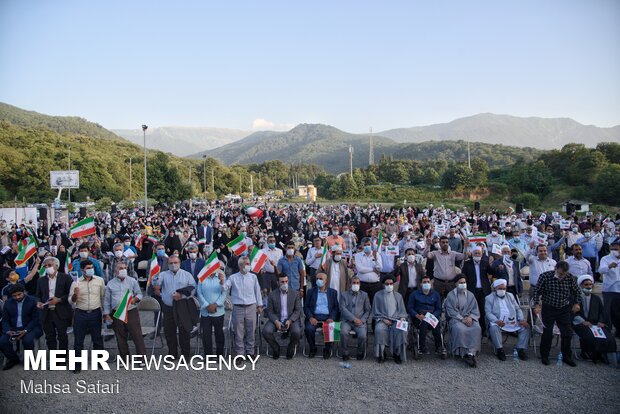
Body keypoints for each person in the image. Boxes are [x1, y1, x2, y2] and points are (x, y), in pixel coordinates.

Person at [533, 261, 581, 366]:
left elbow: (577, 291)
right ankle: (545, 355)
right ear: (555, 268)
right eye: (560, 274)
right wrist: (537, 304)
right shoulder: (545, 276)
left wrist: (577, 303)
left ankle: (566, 356)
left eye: (564, 274)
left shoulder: (570, 277)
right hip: (549, 307)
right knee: (547, 332)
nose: (562, 276)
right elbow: (536, 291)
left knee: (567, 333)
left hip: (564, 308)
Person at [152, 254, 197, 359]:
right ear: (167, 264)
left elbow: (193, 289)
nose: (173, 265)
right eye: (171, 263)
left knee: (184, 332)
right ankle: (172, 354)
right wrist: (155, 279)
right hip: (168, 307)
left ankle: (185, 355)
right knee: (169, 332)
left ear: (179, 263)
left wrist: (181, 295)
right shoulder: (163, 274)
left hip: (182, 306)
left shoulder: (186, 275)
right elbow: (156, 282)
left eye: (175, 262)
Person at [103, 261, 146, 360]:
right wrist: (107, 314)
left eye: (124, 268)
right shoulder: (110, 284)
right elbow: (106, 301)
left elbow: (139, 294)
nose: (123, 270)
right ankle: (124, 358)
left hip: (131, 311)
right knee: (120, 336)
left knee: (136, 334)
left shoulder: (132, 281)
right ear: (115, 270)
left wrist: (134, 300)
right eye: (120, 268)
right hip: (116, 312)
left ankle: (142, 357)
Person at [69, 260, 106, 372]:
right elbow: (71, 301)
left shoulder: (99, 281)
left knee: (97, 339)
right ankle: (77, 364)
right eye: (88, 268)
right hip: (80, 313)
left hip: (95, 313)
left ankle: (99, 361)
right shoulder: (76, 282)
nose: (90, 269)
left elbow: (103, 297)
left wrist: (105, 313)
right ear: (82, 270)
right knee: (79, 340)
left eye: (91, 267)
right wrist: (75, 294)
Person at [572, 275, 616, 363]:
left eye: (590, 284)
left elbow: (602, 312)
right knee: (591, 336)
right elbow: (571, 313)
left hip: (596, 324)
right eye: (586, 285)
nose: (588, 286)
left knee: (609, 337)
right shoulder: (575, 298)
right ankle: (589, 354)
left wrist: (601, 321)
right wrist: (583, 321)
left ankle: (603, 355)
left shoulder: (596, 298)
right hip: (581, 324)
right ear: (581, 286)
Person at [225, 256, 262, 356]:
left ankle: (250, 352)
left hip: (251, 306)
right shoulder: (233, 277)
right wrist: (221, 282)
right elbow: (225, 286)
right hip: (238, 307)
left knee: (251, 331)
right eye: (247, 264)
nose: (248, 266)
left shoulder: (253, 277)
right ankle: (240, 353)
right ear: (240, 265)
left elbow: (257, 291)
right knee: (238, 332)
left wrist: (259, 305)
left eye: (249, 264)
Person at [485, 279, 529, 361]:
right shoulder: (489, 298)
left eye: (504, 289)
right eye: (500, 289)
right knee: (494, 328)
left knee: (525, 327)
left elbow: (518, 309)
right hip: (498, 321)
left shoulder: (510, 296)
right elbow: (488, 313)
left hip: (512, 320)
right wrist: (496, 321)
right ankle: (499, 349)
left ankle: (520, 349)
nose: (502, 290)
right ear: (495, 289)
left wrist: (521, 319)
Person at [0, 284, 43, 370]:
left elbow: (35, 319)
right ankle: (13, 359)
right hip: (13, 328)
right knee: (2, 341)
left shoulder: (33, 301)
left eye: (19, 294)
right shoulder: (8, 303)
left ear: (24, 292)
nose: (17, 297)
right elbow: (5, 320)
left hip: (30, 327)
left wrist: (26, 330)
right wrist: (8, 331)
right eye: (14, 296)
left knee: (27, 340)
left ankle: (28, 359)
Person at [36, 256, 73, 353]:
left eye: (50, 265)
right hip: (47, 312)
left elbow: (70, 294)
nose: (47, 267)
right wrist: (38, 302)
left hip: (60, 311)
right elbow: (37, 295)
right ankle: (53, 357)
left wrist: (59, 300)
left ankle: (62, 357)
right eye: (45, 266)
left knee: (62, 336)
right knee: (50, 337)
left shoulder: (66, 278)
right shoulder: (41, 280)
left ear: (56, 266)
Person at [444, 274, 482, 367]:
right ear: (456, 284)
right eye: (460, 283)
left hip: (469, 319)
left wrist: (471, 318)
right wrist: (462, 319)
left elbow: (475, 309)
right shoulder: (450, 295)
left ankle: (471, 353)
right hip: (456, 319)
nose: (463, 284)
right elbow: (451, 311)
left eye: (464, 282)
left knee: (476, 328)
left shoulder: (470, 295)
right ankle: (461, 352)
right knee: (460, 329)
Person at [263, 274, 302, 360]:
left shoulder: (295, 294)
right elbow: (269, 311)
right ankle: (276, 348)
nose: (285, 284)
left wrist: (290, 320)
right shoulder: (272, 295)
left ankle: (290, 348)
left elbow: (298, 310)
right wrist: (276, 321)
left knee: (297, 332)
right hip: (277, 319)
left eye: (286, 281)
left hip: (291, 319)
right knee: (266, 331)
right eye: (282, 282)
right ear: (278, 283)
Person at [372, 275, 408, 363]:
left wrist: (402, 318)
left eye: (391, 283)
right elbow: (375, 311)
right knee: (379, 330)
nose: (389, 285)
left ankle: (397, 354)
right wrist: (383, 319)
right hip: (382, 320)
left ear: (393, 284)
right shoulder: (378, 295)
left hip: (396, 320)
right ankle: (382, 353)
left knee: (401, 331)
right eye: (387, 284)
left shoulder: (398, 296)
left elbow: (402, 311)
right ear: (383, 284)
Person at [303, 272, 338, 359]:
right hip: (314, 316)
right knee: (308, 329)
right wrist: (310, 317)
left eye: (321, 279)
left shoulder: (333, 292)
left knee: (332, 328)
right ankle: (312, 348)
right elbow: (306, 307)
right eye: (317, 279)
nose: (318, 280)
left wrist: (331, 318)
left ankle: (327, 349)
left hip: (327, 317)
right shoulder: (311, 291)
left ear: (326, 281)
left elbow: (336, 307)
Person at [407, 275, 445, 356]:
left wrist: (433, 316)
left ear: (430, 284)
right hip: (419, 317)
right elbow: (410, 308)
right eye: (424, 282)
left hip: (432, 316)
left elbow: (439, 308)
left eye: (428, 282)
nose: (426, 283)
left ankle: (439, 346)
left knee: (437, 324)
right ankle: (422, 346)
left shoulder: (435, 294)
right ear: (420, 284)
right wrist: (417, 315)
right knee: (423, 322)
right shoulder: (414, 294)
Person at [339, 276, 371, 361]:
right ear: (350, 284)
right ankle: (345, 352)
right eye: (354, 283)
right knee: (343, 332)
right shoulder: (344, 294)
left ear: (360, 284)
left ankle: (360, 352)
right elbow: (342, 309)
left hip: (360, 321)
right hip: (347, 321)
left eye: (357, 283)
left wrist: (362, 320)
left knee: (363, 335)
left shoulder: (364, 295)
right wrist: (353, 319)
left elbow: (368, 310)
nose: (356, 284)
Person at [196, 268, 226, 356]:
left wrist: (216, 304)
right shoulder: (202, 277)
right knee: (206, 335)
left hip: (218, 311)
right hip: (205, 311)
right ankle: (208, 355)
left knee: (219, 334)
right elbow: (199, 293)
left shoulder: (221, 277)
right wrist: (207, 305)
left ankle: (220, 355)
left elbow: (224, 293)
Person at [462, 246, 491, 336]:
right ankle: (474, 329)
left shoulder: (485, 263)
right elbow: (463, 276)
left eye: (479, 253)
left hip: (483, 291)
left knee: (482, 311)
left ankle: (483, 330)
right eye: (475, 253)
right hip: (472, 291)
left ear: (482, 254)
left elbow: (491, 272)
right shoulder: (467, 264)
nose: (477, 255)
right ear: (472, 254)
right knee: (473, 311)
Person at [598, 240, 620, 338]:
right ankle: (607, 332)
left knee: (618, 313)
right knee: (608, 313)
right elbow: (601, 270)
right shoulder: (606, 259)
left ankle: (618, 331)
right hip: (609, 290)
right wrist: (609, 266)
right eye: (613, 249)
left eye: (617, 249)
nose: (615, 251)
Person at [352, 238, 383, 304]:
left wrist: (376, 259)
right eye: (365, 245)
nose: (367, 246)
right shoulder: (358, 255)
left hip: (375, 284)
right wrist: (373, 269)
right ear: (362, 246)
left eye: (368, 244)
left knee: (374, 303)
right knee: (362, 303)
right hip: (363, 284)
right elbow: (360, 269)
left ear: (371, 245)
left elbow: (380, 268)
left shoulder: (376, 254)